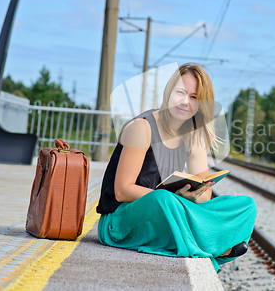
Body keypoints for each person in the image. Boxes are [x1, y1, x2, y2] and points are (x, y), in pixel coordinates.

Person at [96, 63, 257, 272]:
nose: (185, 102)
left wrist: (192, 195)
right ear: (168, 92)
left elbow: (205, 193)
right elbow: (122, 190)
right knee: (162, 198)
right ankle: (213, 246)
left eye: (194, 97)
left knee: (245, 205)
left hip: (167, 211)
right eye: (180, 92)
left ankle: (201, 241)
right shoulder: (142, 127)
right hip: (119, 221)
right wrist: (174, 199)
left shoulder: (194, 135)